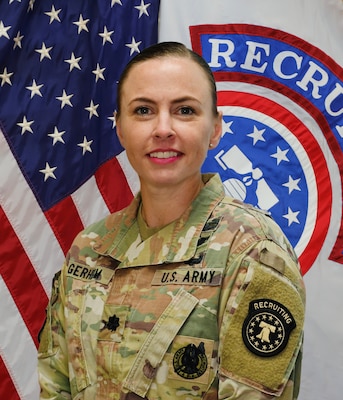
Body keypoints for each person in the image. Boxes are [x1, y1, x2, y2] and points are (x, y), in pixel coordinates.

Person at [37, 42, 305, 400]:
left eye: (185, 110)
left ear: (214, 130)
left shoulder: (252, 251)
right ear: (120, 130)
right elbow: (55, 386)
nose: (163, 129)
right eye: (144, 110)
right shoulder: (90, 249)